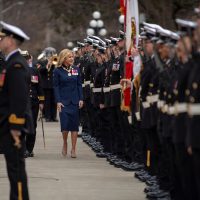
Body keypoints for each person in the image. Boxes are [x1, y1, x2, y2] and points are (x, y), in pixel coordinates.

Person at [0, 21, 30, 200]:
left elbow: (19, 99)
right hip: (9, 126)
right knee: (14, 171)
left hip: (14, 128)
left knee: (16, 172)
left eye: (2, 38)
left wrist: (15, 127)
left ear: (10, 40)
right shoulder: (12, 61)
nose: (0, 41)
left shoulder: (16, 64)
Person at [53, 49, 83, 158]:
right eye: (69, 57)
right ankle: (65, 143)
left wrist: (81, 98)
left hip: (74, 101)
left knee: (74, 126)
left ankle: (73, 149)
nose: (72, 59)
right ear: (64, 58)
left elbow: (79, 84)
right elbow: (55, 87)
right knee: (65, 125)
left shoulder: (76, 69)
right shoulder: (57, 71)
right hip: (63, 102)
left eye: (72, 57)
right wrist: (58, 101)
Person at [20, 50, 44, 158]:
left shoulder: (35, 71)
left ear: (29, 59)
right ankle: (23, 149)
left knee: (32, 126)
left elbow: (39, 87)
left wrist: (42, 102)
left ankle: (30, 149)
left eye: (26, 58)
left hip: (33, 102)